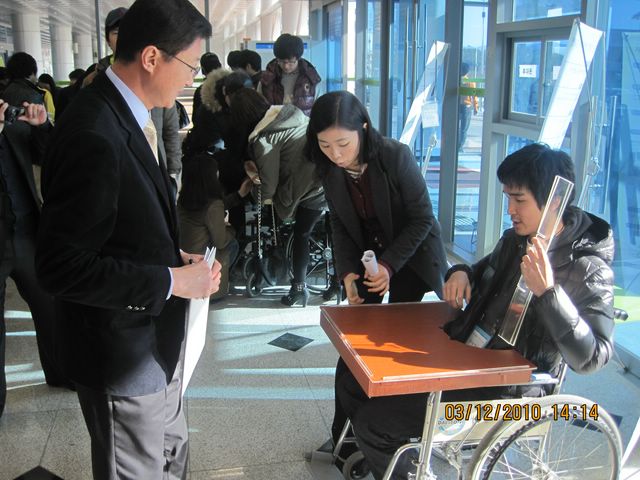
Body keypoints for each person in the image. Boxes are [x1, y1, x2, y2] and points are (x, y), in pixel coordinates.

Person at [334, 143, 616, 480]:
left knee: (375, 422)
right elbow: (482, 271)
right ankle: (391, 454)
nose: (510, 209)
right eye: (507, 197)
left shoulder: (588, 269)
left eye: (519, 200)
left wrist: (549, 293)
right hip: (473, 360)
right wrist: (461, 272)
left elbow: (593, 357)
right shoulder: (516, 240)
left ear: (555, 200)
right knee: (352, 380)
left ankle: (388, 450)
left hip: (511, 394)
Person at [34, 1, 218, 479]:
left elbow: (119, 224)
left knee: (171, 457)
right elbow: (60, 266)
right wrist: (170, 281)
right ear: (152, 57)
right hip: (120, 352)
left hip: (155, 342)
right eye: (190, 67)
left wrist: (174, 259)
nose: (191, 80)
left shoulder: (127, 113)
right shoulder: (93, 131)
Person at [305, 90, 448, 458]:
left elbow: (422, 219)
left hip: (410, 257)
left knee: (392, 344)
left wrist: (389, 265)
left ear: (364, 129)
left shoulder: (395, 156)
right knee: (353, 348)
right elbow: (339, 223)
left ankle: (390, 432)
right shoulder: (328, 167)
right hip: (367, 257)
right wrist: (347, 274)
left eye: (343, 144)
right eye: (325, 145)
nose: (335, 154)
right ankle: (345, 436)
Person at [0, 99, 68, 419]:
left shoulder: (14, 125)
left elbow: (50, 156)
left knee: (52, 304)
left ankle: (62, 373)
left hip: (27, 231)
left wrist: (42, 127)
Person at [230, 88, 325, 306]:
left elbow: (268, 188)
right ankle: (337, 284)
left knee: (301, 234)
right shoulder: (291, 115)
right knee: (332, 230)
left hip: (308, 189)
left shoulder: (265, 138)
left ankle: (299, 288)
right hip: (325, 179)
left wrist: (249, 191)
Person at [178, 153, 249, 300]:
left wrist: (238, 195)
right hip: (203, 259)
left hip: (185, 256)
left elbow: (215, 208)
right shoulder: (212, 205)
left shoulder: (185, 199)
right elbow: (220, 241)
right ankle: (222, 280)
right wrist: (230, 229)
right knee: (233, 244)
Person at [259, 33, 321, 116]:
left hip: (302, 124)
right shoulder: (267, 79)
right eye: (281, 61)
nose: (286, 66)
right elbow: (258, 106)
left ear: (298, 58)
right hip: (273, 124)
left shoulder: (311, 78)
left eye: (291, 62)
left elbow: (319, 108)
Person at [192, 52, 222, 116]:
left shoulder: (200, 92)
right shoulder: (230, 87)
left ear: (203, 70)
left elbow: (195, 118)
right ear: (220, 66)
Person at [458, 62, 478, 151]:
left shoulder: (457, 81)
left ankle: (455, 144)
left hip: (458, 106)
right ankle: (460, 147)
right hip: (467, 106)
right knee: (464, 128)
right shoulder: (470, 82)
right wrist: (476, 107)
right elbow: (474, 96)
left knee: (457, 127)